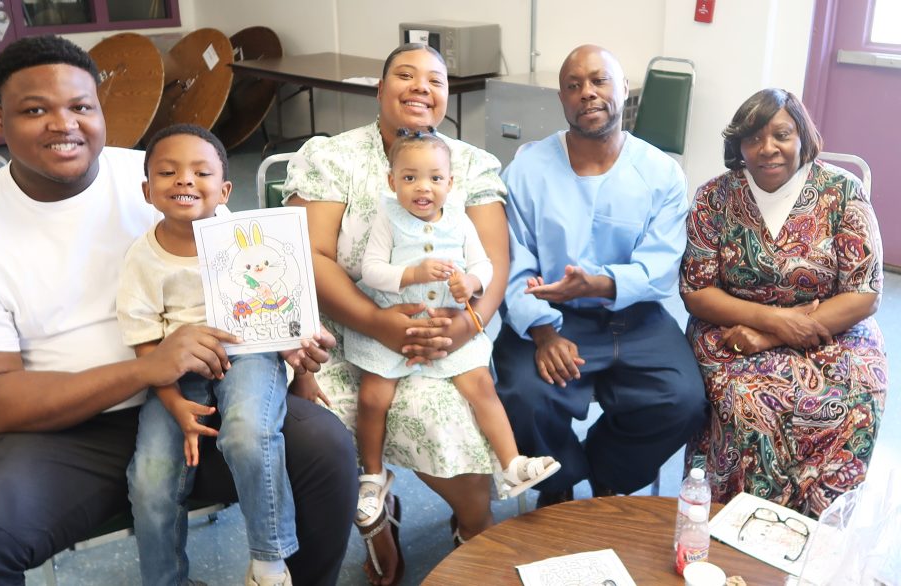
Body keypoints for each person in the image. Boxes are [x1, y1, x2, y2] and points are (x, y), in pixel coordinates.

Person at [0, 35, 355, 586]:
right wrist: (147, 369)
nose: (63, 124)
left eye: (80, 106)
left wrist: (289, 343)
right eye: (34, 110)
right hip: (62, 431)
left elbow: (244, 274)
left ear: (101, 111)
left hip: (205, 398)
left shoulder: (163, 173)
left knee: (327, 449)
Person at [284, 44, 510, 585]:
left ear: (447, 96)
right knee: (324, 429)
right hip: (340, 336)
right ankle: (379, 522)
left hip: (445, 336)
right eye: (404, 75)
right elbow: (307, 254)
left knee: (455, 424)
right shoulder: (332, 156)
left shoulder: (471, 163)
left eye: (434, 79)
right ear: (380, 89)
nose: (419, 87)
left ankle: (472, 531)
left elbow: (494, 262)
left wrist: (461, 328)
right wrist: (378, 322)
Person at [493, 44, 708, 506]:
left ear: (625, 89)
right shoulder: (527, 169)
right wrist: (544, 331)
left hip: (634, 317)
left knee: (683, 399)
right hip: (551, 316)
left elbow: (660, 267)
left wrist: (602, 284)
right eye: (573, 86)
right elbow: (513, 263)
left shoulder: (660, 173)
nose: (586, 93)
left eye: (599, 80)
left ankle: (606, 469)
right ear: (562, 99)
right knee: (523, 393)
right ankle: (559, 483)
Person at [680, 88, 887, 517]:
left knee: (858, 398)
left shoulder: (842, 192)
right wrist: (771, 321)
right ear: (737, 145)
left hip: (831, 330)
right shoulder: (713, 198)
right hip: (732, 331)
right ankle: (733, 528)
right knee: (748, 404)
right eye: (754, 138)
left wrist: (768, 336)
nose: (768, 148)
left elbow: (865, 291)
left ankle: (816, 535)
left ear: (802, 138)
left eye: (781, 135)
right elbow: (696, 291)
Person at [118, 124, 307, 586]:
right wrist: (174, 403)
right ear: (147, 191)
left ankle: (268, 561)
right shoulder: (141, 259)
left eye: (200, 172)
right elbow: (145, 342)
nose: (184, 180)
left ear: (224, 190)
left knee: (246, 433)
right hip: (175, 372)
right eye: (168, 172)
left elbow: (278, 299)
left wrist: (297, 344)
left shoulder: (245, 239)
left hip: (247, 353)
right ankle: (164, 581)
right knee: (149, 479)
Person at [346, 129, 559, 535]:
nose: (422, 188)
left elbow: (484, 266)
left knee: (481, 386)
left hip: (449, 329)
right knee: (373, 397)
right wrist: (410, 273)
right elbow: (371, 269)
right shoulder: (387, 218)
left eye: (434, 178)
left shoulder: (461, 221)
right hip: (396, 325)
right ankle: (372, 476)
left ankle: (512, 464)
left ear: (450, 183)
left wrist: (470, 284)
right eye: (409, 178)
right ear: (393, 183)